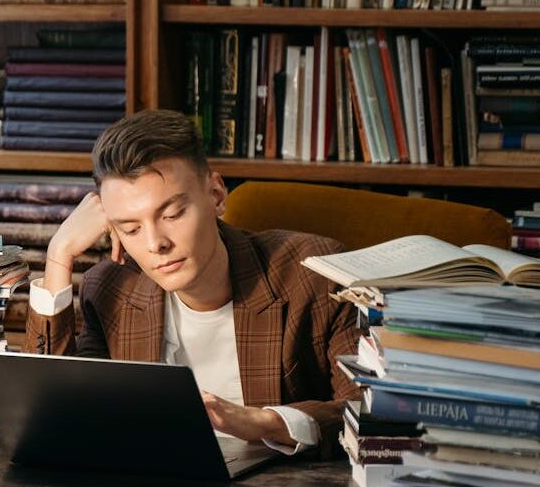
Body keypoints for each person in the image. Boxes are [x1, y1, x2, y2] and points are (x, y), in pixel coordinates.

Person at [24, 110, 363, 456]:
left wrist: (263, 422)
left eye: (171, 214)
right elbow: (55, 418)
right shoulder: (111, 290)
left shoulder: (316, 276)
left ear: (215, 195)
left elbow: (371, 414)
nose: (156, 243)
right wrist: (59, 255)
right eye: (131, 228)